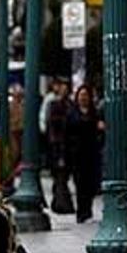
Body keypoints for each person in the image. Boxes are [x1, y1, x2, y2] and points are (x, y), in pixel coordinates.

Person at [64, 84, 104, 223]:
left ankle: (88, 210)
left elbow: (100, 130)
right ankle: (82, 213)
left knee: (92, 184)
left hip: (92, 153)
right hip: (77, 155)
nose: (83, 98)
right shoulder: (71, 113)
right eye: (81, 95)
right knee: (80, 184)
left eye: (86, 95)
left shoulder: (94, 113)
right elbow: (66, 134)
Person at [42, 77, 74, 215]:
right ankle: (61, 203)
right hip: (58, 147)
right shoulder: (54, 104)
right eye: (62, 87)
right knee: (60, 176)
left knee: (63, 177)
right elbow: (51, 127)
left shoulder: (71, 104)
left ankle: (59, 202)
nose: (64, 89)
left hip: (69, 146)